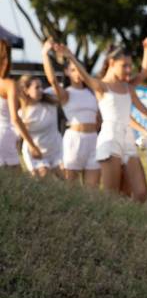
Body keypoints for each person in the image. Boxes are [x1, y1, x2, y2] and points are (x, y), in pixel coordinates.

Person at [54, 42, 147, 201]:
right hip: (110, 139)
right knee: (111, 196)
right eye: (125, 66)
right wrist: (70, 56)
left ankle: (127, 219)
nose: (129, 70)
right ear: (112, 63)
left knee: (141, 192)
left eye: (130, 66)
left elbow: (143, 73)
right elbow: (85, 76)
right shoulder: (101, 86)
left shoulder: (128, 86)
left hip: (128, 138)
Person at [41, 39, 100, 187]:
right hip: (74, 140)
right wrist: (45, 54)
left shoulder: (93, 92)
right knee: (71, 187)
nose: (77, 73)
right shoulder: (67, 94)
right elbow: (53, 81)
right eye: (73, 70)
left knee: (92, 190)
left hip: (94, 139)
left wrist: (70, 55)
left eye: (78, 69)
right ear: (67, 72)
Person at [0, 39, 41, 170]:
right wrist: (32, 145)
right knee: (15, 183)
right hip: (5, 136)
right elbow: (15, 119)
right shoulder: (9, 84)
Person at [17, 74, 63, 178]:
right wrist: (32, 147)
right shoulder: (21, 114)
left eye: (41, 87)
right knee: (46, 181)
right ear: (26, 90)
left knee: (68, 180)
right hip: (37, 154)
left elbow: (55, 82)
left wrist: (45, 57)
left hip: (56, 150)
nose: (41, 90)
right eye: (37, 87)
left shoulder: (49, 99)